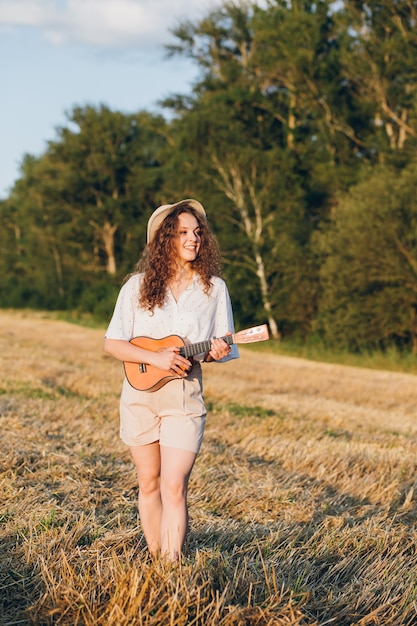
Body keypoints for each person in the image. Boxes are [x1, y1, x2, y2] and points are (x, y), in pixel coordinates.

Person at [104, 199, 238, 561]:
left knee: (174, 485)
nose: (194, 239)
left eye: (197, 232)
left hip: (185, 398)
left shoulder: (214, 289)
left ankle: (171, 563)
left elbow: (222, 343)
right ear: (164, 240)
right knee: (148, 482)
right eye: (183, 233)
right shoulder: (136, 287)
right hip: (139, 396)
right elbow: (113, 343)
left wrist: (217, 352)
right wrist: (154, 357)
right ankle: (154, 554)